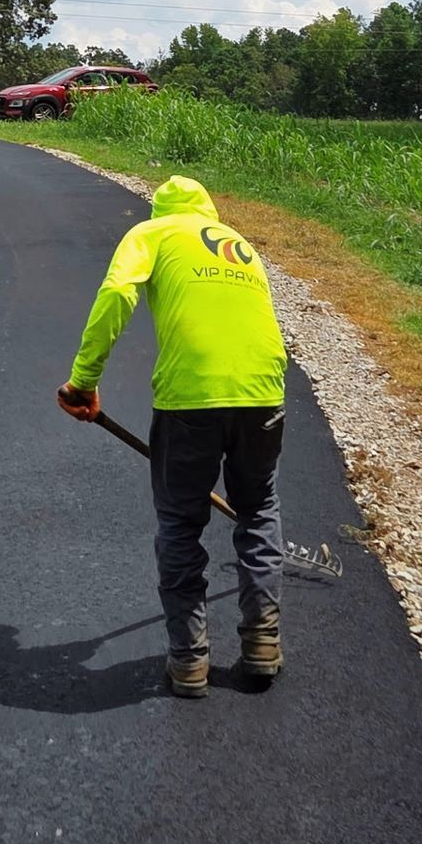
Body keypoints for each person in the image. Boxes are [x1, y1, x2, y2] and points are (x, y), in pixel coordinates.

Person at [57, 176, 288, 698]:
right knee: (259, 510)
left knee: (181, 525)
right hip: (264, 394)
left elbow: (117, 292)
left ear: (160, 209)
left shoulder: (154, 233)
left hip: (191, 400)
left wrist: (84, 380)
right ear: (208, 207)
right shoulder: (240, 246)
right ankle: (262, 645)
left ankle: (188, 662)